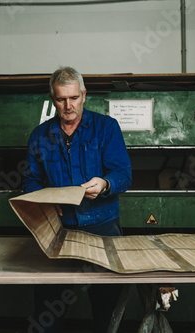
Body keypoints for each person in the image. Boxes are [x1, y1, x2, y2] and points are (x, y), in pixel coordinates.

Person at [23, 66, 132, 332]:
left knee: (106, 304)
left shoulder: (106, 128)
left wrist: (106, 184)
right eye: (61, 99)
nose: (68, 105)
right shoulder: (40, 136)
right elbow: (31, 181)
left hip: (102, 226)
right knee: (49, 306)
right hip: (59, 229)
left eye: (73, 98)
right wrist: (46, 202)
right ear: (52, 98)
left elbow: (123, 173)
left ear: (84, 95)